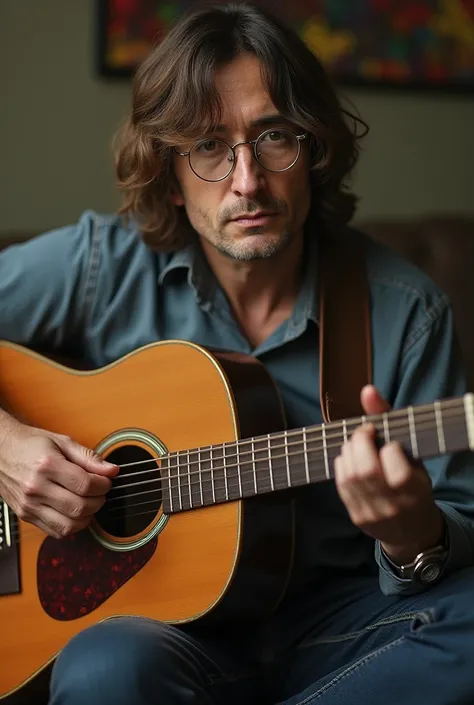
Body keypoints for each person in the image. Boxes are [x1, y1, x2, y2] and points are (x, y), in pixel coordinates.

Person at [1, 4, 474, 704]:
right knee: (105, 665)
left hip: (340, 631)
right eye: (210, 147)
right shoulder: (102, 263)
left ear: (312, 151)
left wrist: (411, 532)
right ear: (169, 173)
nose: (247, 180)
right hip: (164, 638)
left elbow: (456, 523)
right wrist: (6, 443)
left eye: (273, 136)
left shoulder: (404, 310)